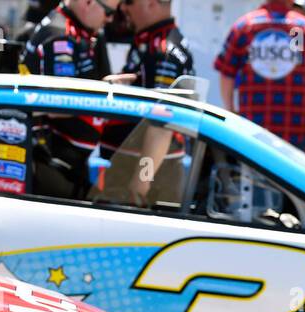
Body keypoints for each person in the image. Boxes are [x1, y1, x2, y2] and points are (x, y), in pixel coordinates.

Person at [23, 0, 115, 197]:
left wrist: (111, 84)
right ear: (87, 3)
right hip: (52, 164)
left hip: (69, 163)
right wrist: (108, 93)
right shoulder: (59, 36)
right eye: (108, 12)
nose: (110, 19)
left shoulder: (78, 31)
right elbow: (60, 104)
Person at [213, 0, 305, 153]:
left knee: (252, 176)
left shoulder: (244, 26)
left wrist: (231, 110)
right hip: (294, 128)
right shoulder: (301, 29)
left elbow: (227, 73)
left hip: (252, 129)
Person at [114, 0, 193, 91]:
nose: (122, 7)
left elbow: (159, 102)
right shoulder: (149, 39)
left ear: (151, 2)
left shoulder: (163, 50)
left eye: (129, 2)